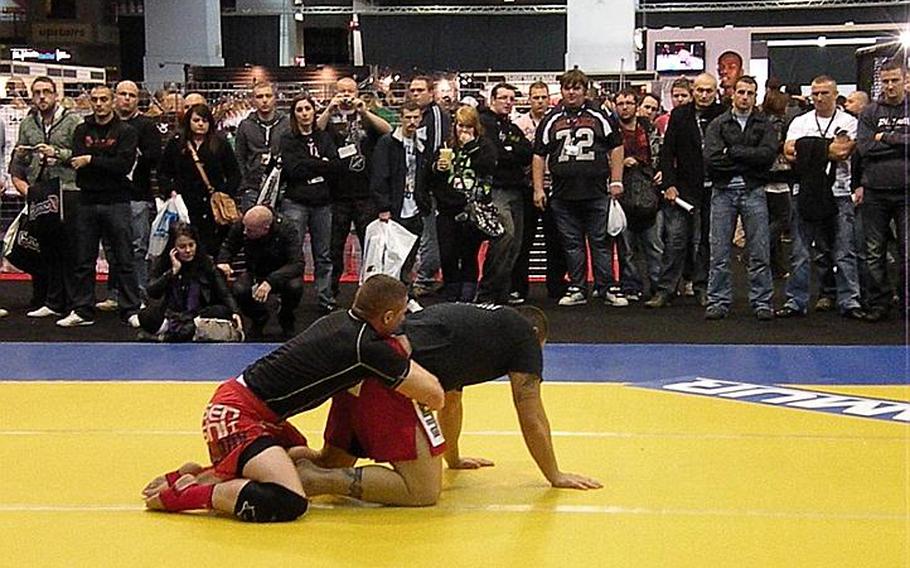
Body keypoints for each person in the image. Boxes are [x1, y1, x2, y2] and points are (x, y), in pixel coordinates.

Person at [141, 274, 445, 522]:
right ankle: (189, 496)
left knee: (298, 455)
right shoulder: (365, 347)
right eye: (402, 315)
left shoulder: (340, 320)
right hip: (238, 416)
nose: (404, 321)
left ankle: (209, 475)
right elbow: (434, 395)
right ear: (388, 316)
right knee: (290, 500)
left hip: (245, 407)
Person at [294, 303, 601, 507]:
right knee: (422, 491)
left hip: (359, 372)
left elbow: (451, 401)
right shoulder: (523, 335)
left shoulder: (475, 325)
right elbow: (530, 413)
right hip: (390, 382)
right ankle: (317, 480)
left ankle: (272, 458)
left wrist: (453, 458)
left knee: (329, 460)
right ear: (537, 335)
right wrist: (555, 475)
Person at [776, 75, 866, 321]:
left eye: (824, 93)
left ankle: (850, 300)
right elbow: (789, 152)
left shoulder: (849, 121)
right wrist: (827, 147)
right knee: (800, 251)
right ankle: (796, 301)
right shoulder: (800, 120)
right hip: (805, 191)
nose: (818, 98)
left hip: (840, 191)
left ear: (835, 95)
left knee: (844, 250)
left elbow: (844, 151)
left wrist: (809, 147)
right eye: (815, 93)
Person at [532, 69, 624, 307]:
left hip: (596, 192)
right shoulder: (551, 117)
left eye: (577, 88)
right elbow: (539, 155)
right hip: (563, 194)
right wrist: (538, 188)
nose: (571, 93)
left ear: (585, 90)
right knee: (571, 245)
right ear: (561, 90)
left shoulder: (599, 114)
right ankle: (577, 287)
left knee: (601, 242)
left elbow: (616, 146)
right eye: (567, 88)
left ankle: (606, 288)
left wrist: (616, 180)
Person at [58, 85, 141, 329]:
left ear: (112, 101)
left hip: (116, 201)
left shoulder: (126, 131)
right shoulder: (82, 129)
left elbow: (123, 165)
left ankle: (130, 308)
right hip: (87, 200)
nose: (99, 103)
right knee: (84, 259)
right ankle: (82, 309)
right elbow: (76, 160)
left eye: (104, 99)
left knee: (124, 258)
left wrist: (92, 159)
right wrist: (101, 161)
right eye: (94, 99)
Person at [646, 73, 726, 310]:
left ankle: (702, 288)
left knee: (706, 242)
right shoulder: (680, 115)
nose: (704, 95)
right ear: (693, 90)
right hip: (682, 189)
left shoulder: (723, 115)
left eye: (709, 91)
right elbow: (667, 153)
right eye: (700, 90)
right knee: (676, 241)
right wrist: (668, 184)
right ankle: (665, 290)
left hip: (716, 188)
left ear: (715, 92)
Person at [702, 76, 778, 321]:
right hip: (723, 191)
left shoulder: (763, 124)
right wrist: (749, 160)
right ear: (733, 94)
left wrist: (733, 152)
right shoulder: (718, 124)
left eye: (750, 93)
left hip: (754, 190)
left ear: (756, 97)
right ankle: (718, 300)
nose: (745, 97)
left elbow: (767, 157)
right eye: (741, 92)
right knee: (719, 251)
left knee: (759, 250)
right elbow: (712, 160)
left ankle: (762, 301)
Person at [10, 76, 82, 320]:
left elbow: (83, 155)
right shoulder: (28, 123)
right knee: (47, 250)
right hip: (42, 193)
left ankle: (75, 305)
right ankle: (52, 301)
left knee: (72, 251)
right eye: (37, 92)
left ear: (56, 94)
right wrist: (23, 167)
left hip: (70, 190)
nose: (42, 97)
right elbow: (18, 160)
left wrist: (57, 153)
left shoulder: (73, 121)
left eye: (47, 92)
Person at [317, 77, 391, 301]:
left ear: (357, 92)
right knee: (334, 247)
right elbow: (314, 132)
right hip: (336, 194)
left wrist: (364, 111)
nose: (347, 95)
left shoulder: (367, 115)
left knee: (369, 247)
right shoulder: (329, 116)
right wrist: (330, 109)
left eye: (350, 91)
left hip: (365, 193)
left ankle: (369, 294)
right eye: (342, 91)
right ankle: (330, 293)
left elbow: (388, 131)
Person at [96, 80, 163, 311]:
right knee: (113, 248)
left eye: (131, 95)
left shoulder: (146, 126)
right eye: (122, 94)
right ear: (115, 97)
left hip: (137, 195)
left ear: (138, 99)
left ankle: (140, 294)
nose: (126, 98)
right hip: (109, 196)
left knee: (137, 248)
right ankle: (114, 295)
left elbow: (155, 156)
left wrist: (128, 156)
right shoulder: (105, 125)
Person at [426, 105, 498, 302]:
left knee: (469, 254)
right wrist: (436, 167)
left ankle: (468, 290)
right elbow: (431, 176)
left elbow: (488, 166)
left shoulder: (484, 145)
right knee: (447, 253)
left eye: (468, 126)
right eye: (460, 126)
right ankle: (451, 288)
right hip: (448, 208)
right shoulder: (446, 145)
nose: (463, 131)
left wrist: (470, 146)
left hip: (472, 209)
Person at [856, 58, 909, 322]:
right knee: (873, 252)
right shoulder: (869, 112)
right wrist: (901, 143)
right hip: (875, 191)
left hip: (905, 192)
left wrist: (885, 137)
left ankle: (906, 303)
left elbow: (876, 143)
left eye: (894, 80)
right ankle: (879, 303)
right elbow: (864, 148)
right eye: (885, 81)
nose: (890, 86)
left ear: (905, 80)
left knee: (906, 252)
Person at [278, 94, 339, 314]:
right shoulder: (288, 139)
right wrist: (319, 163)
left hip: (322, 203)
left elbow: (334, 165)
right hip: (296, 202)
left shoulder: (324, 137)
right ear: (294, 114)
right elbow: (293, 170)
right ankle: (290, 298)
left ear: (314, 111)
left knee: (323, 254)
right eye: (299, 110)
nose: (304, 113)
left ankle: (325, 297)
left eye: (307, 109)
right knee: (293, 252)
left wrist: (314, 164)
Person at [476, 83, 533, 305]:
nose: (508, 102)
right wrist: (510, 151)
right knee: (504, 236)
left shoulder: (511, 127)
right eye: (503, 98)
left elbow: (527, 152)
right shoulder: (484, 123)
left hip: (516, 189)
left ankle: (501, 290)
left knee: (515, 243)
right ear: (493, 99)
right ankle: (488, 291)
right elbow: (494, 154)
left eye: (511, 98)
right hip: (496, 189)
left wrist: (509, 150)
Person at [158, 103, 241, 255]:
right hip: (184, 204)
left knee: (212, 248)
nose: (201, 124)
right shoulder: (176, 143)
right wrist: (170, 191)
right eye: (196, 120)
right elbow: (163, 172)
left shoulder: (220, 143)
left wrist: (225, 193)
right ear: (189, 122)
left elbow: (234, 174)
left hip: (212, 206)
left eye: (204, 120)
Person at [512, 81, 567, 301]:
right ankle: (519, 286)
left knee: (556, 239)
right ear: (529, 99)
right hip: (527, 187)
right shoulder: (519, 125)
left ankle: (556, 284)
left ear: (549, 99)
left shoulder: (558, 123)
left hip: (555, 187)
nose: (540, 101)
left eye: (543, 97)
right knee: (524, 239)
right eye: (535, 97)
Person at [217, 205, 304, 338]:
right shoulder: (245, 223)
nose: (245, 232)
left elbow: (297, 263)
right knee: (239, 289)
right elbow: (229, 246)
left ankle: (286, 316)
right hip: (255, 270)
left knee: (295, 287)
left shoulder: (286, 229)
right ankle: (259, 316)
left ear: (265, 229)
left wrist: (270, 281)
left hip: (282, 272)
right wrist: (223, 262)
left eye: (250, 230)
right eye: (244, 228)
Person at [371, 101, 432, 287]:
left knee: (411, 257)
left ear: (421, 118)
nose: (412, 122)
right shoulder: (387, 142)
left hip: (415, 208)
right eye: (408, 117)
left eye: (415, 117)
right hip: (395, 209)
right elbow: (379, 175)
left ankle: (406, 294)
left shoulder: (422, 143)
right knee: (392, 258)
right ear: (401, 118)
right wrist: (383, 207)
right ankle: (390, 295)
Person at [409, 76, 450, 297]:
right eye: (412, 90)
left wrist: (424, 186)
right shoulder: (418, 117)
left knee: (429, 233)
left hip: (430, 185)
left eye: (420, 90)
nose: (415, 94)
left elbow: (433, 154)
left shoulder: (435, 115)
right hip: (416, 184)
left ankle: (426, 277)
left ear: (431, 92)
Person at [234, 81, 289, 211]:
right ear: (253, 100)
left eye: (268, 96)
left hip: (282, 188)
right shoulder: (245, 125)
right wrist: (245, 185)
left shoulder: (287, 124)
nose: (264, 100)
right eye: (259, 97)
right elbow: (239, 157)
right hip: (253, 188)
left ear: (275, 98)